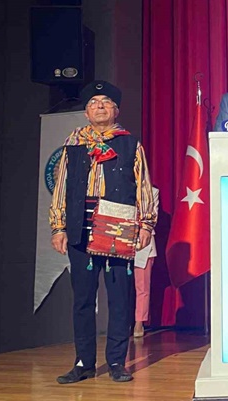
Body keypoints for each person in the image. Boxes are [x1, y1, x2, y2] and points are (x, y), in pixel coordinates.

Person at [49, 80, 157, 383]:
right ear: (86, 112)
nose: (100, 107)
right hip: (80, 228)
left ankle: (117, 362)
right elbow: (61, 187)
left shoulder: (130, 144)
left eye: (106, 102)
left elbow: (143, 186)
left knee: (120, 299)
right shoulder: (73, 145)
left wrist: (146, 224)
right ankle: (84, 363)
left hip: (116, 229)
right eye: (94, 103)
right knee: (83, 300)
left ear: (116, 110)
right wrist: (58, 226)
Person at [133, 186, 159, 338]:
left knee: (142, 287)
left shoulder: (152, 192)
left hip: (143, 245)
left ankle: (139, 322)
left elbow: (152, 217)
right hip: (121, 241)